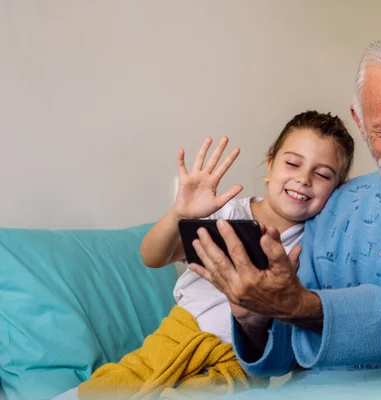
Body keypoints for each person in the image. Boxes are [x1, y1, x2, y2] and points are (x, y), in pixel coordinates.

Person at [189, 36, 381, 387]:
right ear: (360, 122)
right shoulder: (334, 202)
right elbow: (284, 354)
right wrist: (255, 319)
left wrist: (297, 306)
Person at [76, 110, 355, 399]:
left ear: (337, 189)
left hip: (235, 363)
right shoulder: (226, 213)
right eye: (293, 163)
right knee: (106, 388)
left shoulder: (316, 244)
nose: (303, 178)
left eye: (322, 174)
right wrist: (178, 214)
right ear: (270, 166)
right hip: (178, 335)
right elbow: (152, 257)